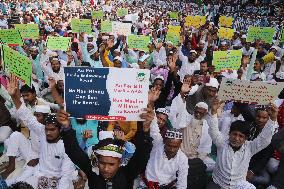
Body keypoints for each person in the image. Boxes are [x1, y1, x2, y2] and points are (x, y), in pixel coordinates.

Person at [57, 103, 154, 189]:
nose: (106, 169)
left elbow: (142, 155)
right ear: (97, 160)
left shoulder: (127, 173)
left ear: (119, 162)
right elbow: (74, 152)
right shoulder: (92, 171)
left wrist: (145, 130)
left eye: (111, 164)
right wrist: (66, 127)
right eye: (102, 163)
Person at [6, 75, 76, 188]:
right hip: (39, 175)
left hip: (57, 180)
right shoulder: (42, 131)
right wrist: (14, 96)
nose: (48, 133)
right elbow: (27, 116)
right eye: (47, 129)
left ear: (60, 129)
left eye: (52, 130)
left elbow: (65, 176)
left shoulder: (67, 146)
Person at [205, 98, 278, 189]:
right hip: (218, 183)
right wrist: (213, 111)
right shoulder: (222, 142)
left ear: (246, 138)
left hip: (239, 185)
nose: (236, 138)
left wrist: (273, 118)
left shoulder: (250, 147)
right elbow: (213, 130)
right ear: (229, 134)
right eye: (234, 134)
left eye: (241, 136)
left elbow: (264, 140)